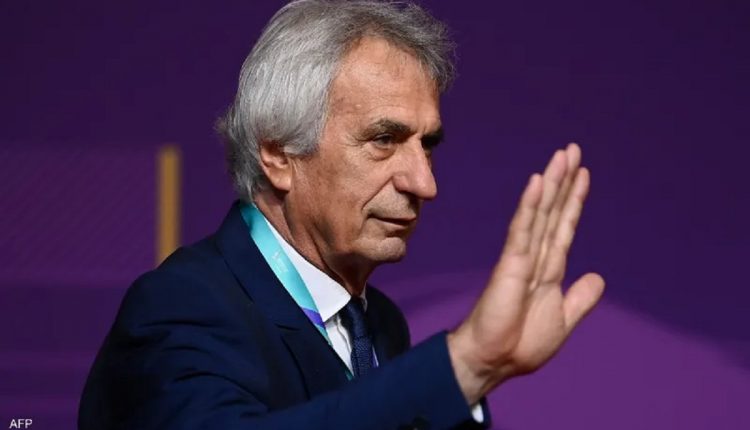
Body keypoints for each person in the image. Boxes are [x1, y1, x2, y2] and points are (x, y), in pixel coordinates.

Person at [78, 1, 605, 429]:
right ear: (279, 155)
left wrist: (479, 375)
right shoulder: (182, 305)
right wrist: (465, 364)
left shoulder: (380, 325)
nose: (425, 184)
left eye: (427, 145)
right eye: (384, 139)